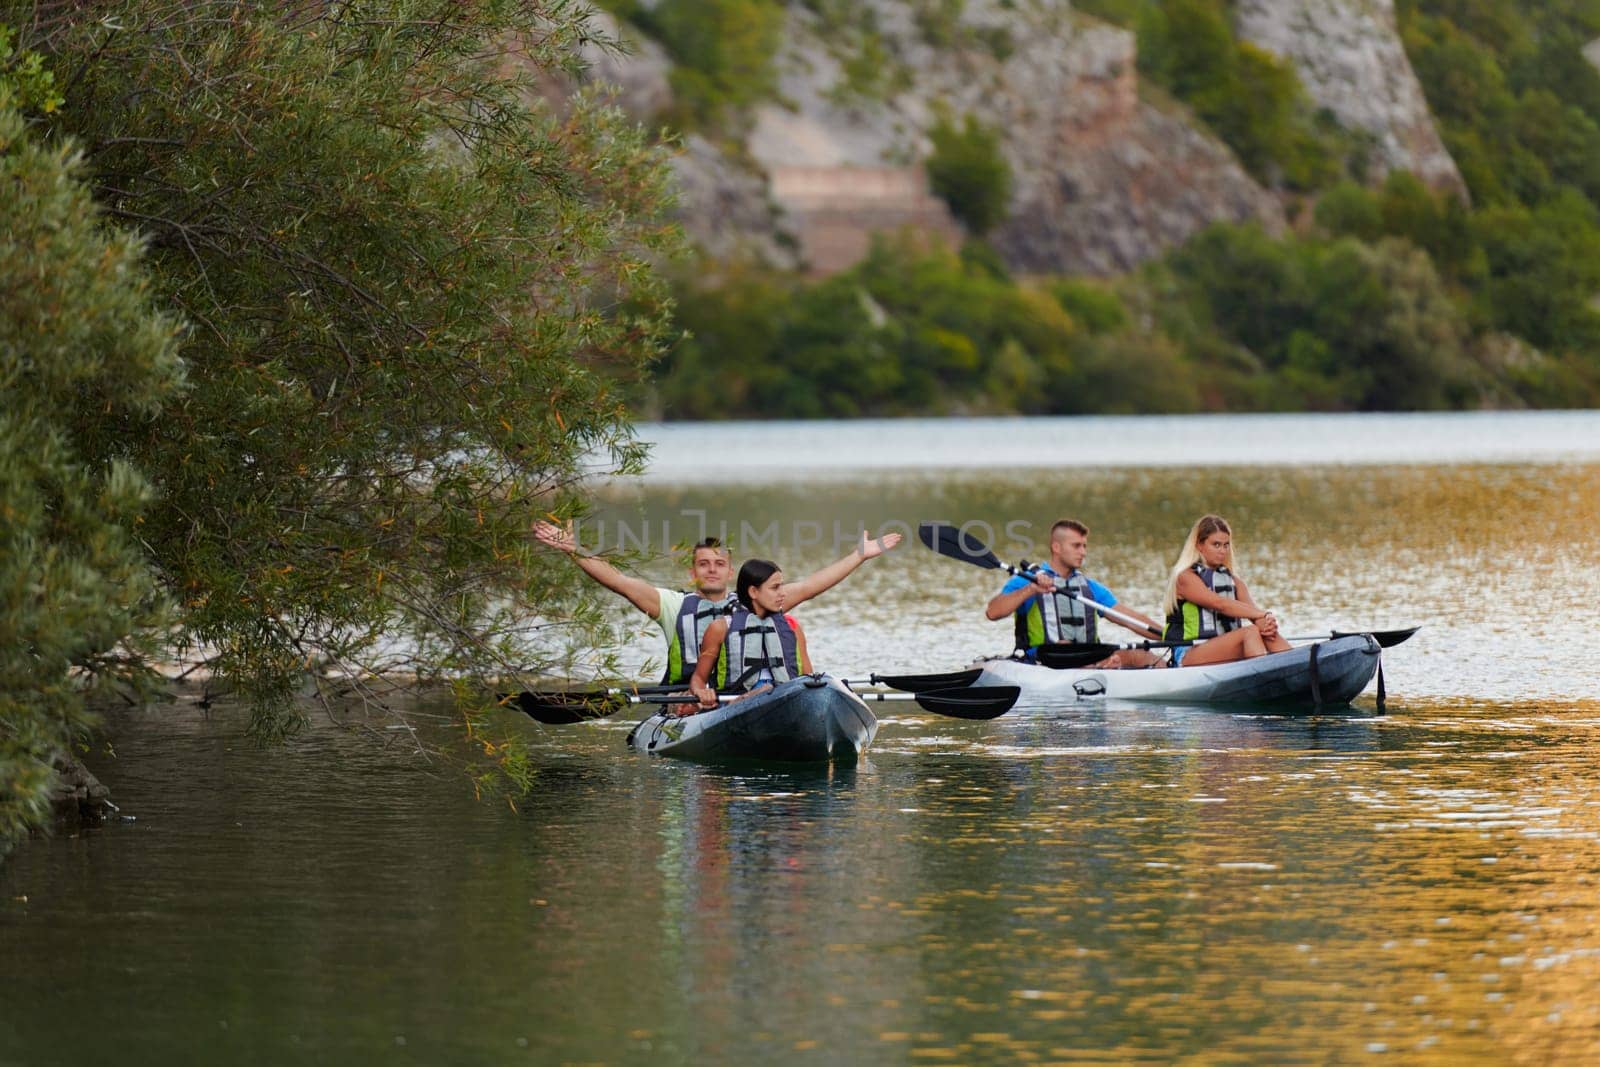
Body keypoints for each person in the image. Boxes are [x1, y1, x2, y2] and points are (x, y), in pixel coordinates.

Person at [687, 530, 903, 710]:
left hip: (784, 702)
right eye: (775, 588)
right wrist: (701, 692)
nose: (782, 593)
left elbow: (808, 678)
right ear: (753, 592)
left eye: (782, 586)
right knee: (761, 693)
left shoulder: (791, 627)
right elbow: (698, 679)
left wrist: (859, 556)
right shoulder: (720, 628)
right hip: (736, 705)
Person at [533, 521, 740, 687]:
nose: (712, 570)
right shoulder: (674, 605)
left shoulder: (748, 608)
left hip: (733, 698)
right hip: (684, 697)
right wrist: (573, 549)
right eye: (704, 564)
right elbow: (618, 581)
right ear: (692, 573)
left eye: (719, 564)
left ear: (730, 572)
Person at [983, 518, 1163, 668]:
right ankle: (1099, 665)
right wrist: (1031, 590)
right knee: (1065, 647)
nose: (1083, 552)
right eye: (1076, 546)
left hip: (1088, 656)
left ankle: (1173, 674)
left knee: (1140, 654)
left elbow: (1131, 619)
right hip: (1043, 659)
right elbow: (992, 612)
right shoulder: (1028, 580)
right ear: (1057, 547)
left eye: (1084, 546)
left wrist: (1171, 635)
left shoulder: (1090, 587)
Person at [1161, 514, 1291, 667]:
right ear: (1199, 545)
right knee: (1249, 632)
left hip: (1223, 650)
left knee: (1264, 632)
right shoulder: (1185, 578)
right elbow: (1219, 603)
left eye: (1226, 545)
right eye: (1216, 545)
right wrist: (1263, 614)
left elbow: (1253, 612)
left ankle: (1296, 665)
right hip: (1189, 654)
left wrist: (1266, 622)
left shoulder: (1235, 582)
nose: (1222, 550)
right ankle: (1269, 679)